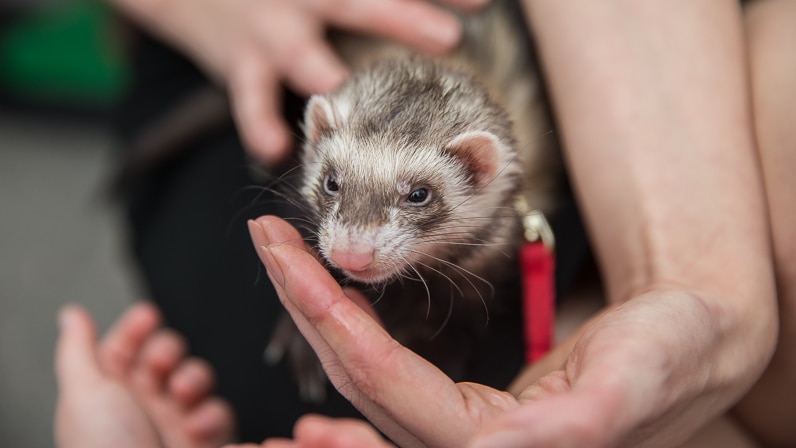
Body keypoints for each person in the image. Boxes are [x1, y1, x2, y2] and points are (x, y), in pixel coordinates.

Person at [81, 0, 793, 447]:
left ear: (481, 174)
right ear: (317, 141)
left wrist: (699, 289)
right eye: (332, 186)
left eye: (417, 199)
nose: (353, 243)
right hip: (239, 46)